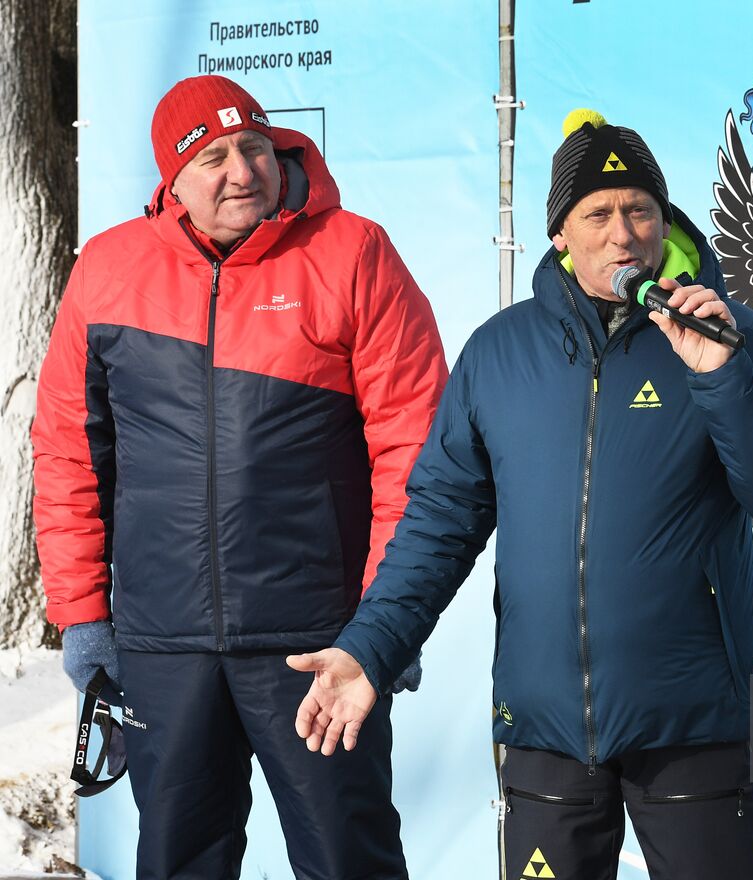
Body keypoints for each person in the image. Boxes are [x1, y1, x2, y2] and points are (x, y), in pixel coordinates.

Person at [286, 109, 753, 879]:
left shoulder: (730, 332)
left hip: (702, 727)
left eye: (640, 210)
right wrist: (372, 648)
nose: (623, 233)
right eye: (599, 214)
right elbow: (439, 526)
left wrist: (721, 374)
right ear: (560, 235)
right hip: (543, 729)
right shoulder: (499, 352)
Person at [33, 75, 448, 879]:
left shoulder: (353, 252)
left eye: (254, 148)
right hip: (163, 643)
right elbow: (68, 452)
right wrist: (83, 615)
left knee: (349, 861)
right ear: (173, 179)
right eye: (214, 156)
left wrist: (391, 621)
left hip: (318, 644)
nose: (241, 171)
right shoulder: (108, 270)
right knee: (180, 861)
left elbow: (417, 451)